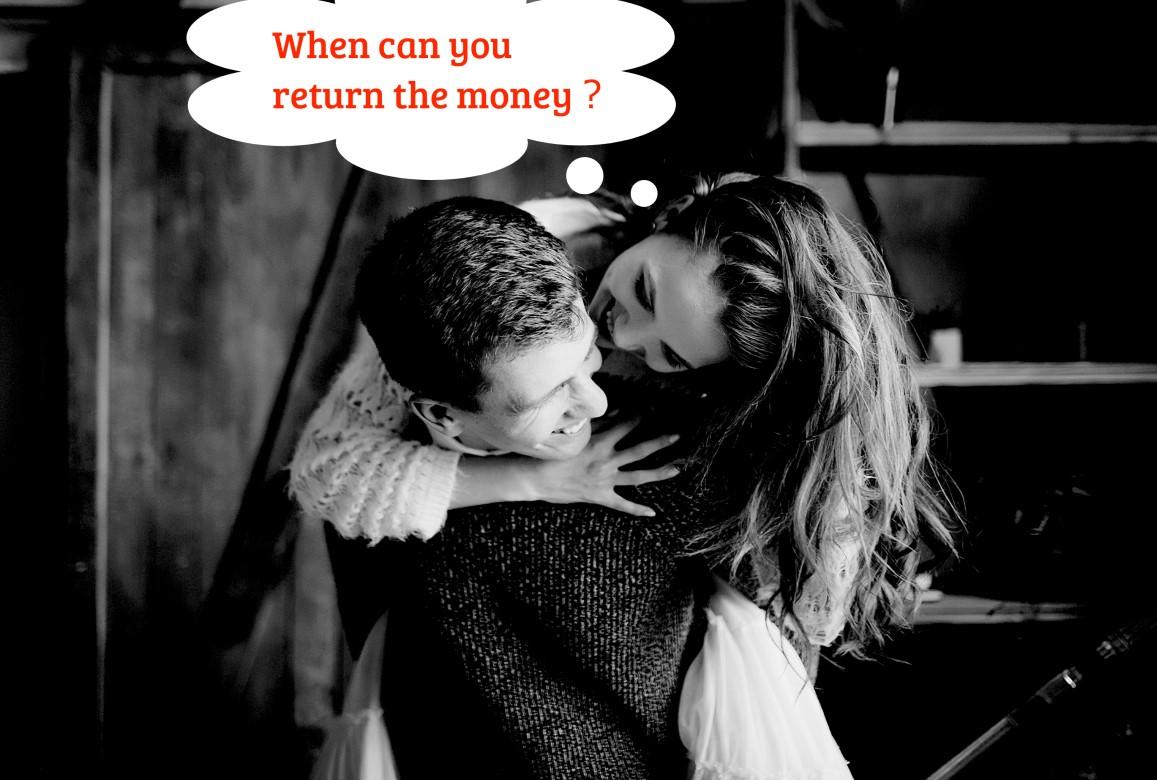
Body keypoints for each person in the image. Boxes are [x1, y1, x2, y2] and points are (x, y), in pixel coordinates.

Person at [294, 175, 952, 777]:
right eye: (644, 291)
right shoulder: (495, 277)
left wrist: (831, 495)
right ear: (671, 216)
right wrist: (535, 479)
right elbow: (328, 470)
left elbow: (809, 616)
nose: (624, 333)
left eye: (668, 354)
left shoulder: (717, 414)